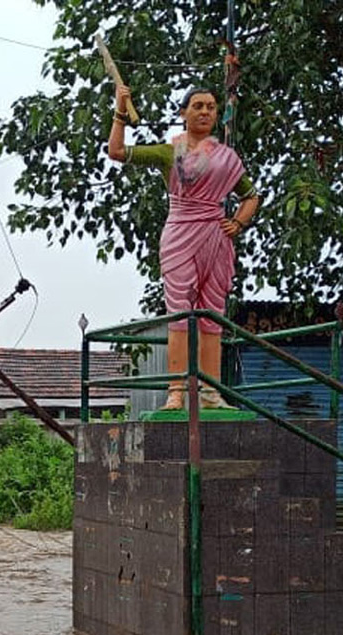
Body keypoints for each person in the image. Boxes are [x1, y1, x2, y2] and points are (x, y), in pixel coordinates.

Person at [107, 84, 262, 410]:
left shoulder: (226, 157)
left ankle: (210, 391)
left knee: (211, 315)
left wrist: (239, 222)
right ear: (183, 112)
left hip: (216, 240)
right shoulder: (171, 151)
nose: (205, 111)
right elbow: (117, 152)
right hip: (180, 235)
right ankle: (176, 391)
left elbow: (251, 196)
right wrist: (121, 112)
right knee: (179, 314)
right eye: (197, 106)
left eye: (210, 106)